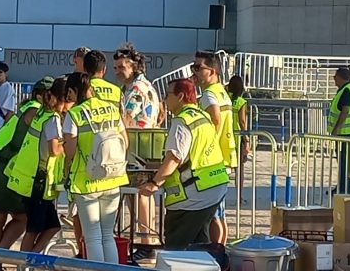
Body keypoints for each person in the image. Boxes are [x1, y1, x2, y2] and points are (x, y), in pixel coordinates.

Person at [138, 78, 229, 250]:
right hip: (214, 188)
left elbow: (174, 158)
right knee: (200, 245)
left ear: (180, 96)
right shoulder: (202, 115)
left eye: (167, 95)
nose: (164, 99)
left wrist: (154, 183)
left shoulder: (182, 122)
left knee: (176, 246)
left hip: (192, 196)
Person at [0, 77, 53, 257]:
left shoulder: (25, 107)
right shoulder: (36, 111)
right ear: (39, 95)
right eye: (50, 94)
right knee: (21, 218)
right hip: (2, 166)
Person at [63, 72, 128, 263]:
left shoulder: (74, 114)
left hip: (87, 182)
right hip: (113, 178)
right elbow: (125, 140)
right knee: (108, 235)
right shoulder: (110, 108)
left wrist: (66, 170)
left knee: (92, 237)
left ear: (75, 91)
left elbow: (71, 151)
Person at [7, 76, 68, 254]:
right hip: (38, 181)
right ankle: (26, 262)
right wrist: (67, 144)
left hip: (33, 178)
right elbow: (54, 150)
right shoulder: (53, 119)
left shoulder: (42, 112)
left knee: (52, 226)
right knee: (33, 230)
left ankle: (32, 258)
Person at [113, 44, 164, 245]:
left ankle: (146, 241)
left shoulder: (136, 89)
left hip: (137, 150)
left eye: (120, 67)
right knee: (139, 195)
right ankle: (145, 240)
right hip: (139, 148)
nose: (117, 72)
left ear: (133, 67)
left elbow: (125, 118)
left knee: (141, 194)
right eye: (115, 67)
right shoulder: (139, 86)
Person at [192, 51, 236, 245]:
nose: (194, 72)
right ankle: (221, 250)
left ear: (212, 70)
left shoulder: (209, 94)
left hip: (212, 159)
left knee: (213, 214)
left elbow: (216, 118)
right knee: (220, 212)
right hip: (224, 157)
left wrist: (207, 140)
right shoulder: (221, 91)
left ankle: (215, 250)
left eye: (198, 68)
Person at [329, 67, 350, 194]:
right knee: (343, 161)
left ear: (340, 77)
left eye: (335, 77)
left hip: (344, 133)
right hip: (345, 132)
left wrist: (336, 129)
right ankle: (344, 185)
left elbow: (345, 111)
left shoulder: (346, 91)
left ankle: (344, 188)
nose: (334, 79)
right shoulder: (345, 90)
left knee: (344, 162)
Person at [228, 75, 251, 161]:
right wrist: (246, 139)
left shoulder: (225, 99)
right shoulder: (241, 102)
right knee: (238, 163)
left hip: (225, 133)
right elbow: (242, 121)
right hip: (237, 135)